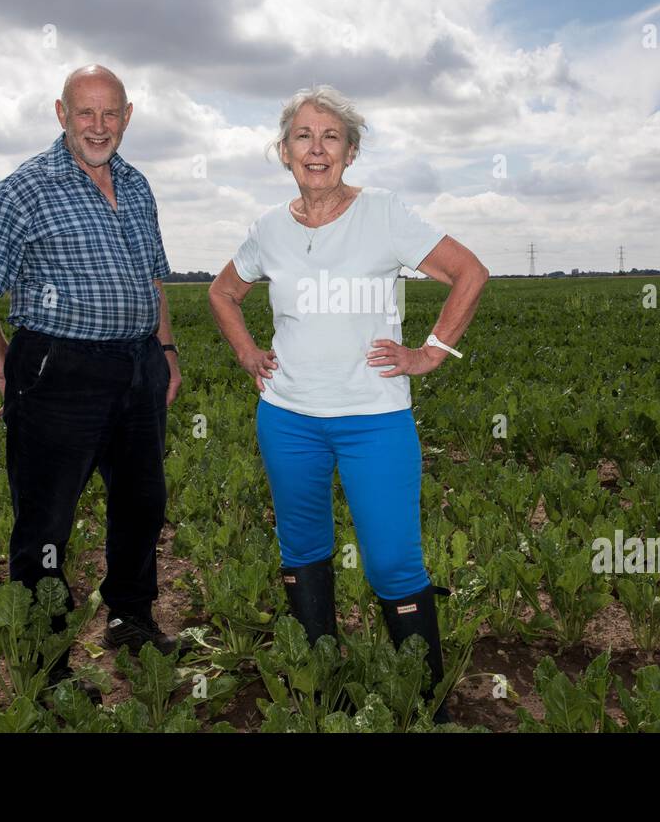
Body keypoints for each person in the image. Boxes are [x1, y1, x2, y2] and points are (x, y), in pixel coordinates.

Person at [208, 85, 488, 722]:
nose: (316, 148)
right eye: (303, 136)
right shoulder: (268, 229)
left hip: (374, 419)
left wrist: (431, 352)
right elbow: (223, 294)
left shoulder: (385, 214)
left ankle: (427, 706)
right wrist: (250, 354)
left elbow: (470, 272)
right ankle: (320, 684)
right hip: (288, 417)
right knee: (302, 548)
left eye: (330, 136)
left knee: (393, 560)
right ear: (284, 152)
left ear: (351, 152)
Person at [0, 65, 182, 700]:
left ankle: (131, 620)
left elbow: (152, 277)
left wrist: (165, 349)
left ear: (127, 116)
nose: (98, 127)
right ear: (61, 114)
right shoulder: (22, 191)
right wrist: (6, 367)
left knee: (142, 503)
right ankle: (45, 661)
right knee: (46, 523)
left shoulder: (136, 187)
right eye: (86, 113)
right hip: (59, 370)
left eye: (111, 114)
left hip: (138, 367)